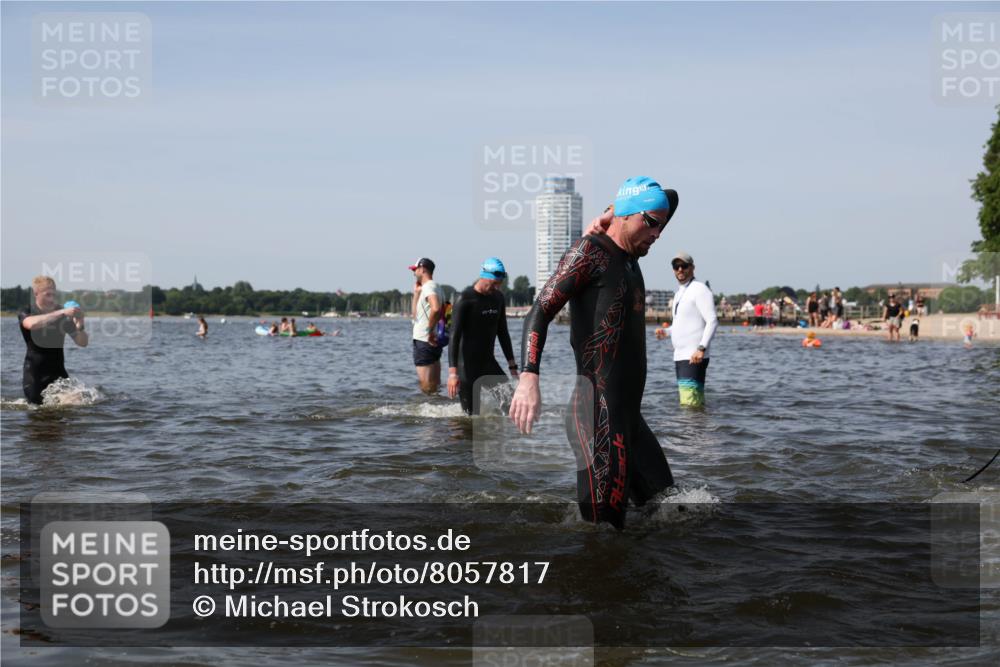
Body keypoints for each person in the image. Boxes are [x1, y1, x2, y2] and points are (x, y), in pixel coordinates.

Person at [509, 176, 678, 530]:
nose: (658, 233)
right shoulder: (589, 252)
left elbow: (670, 199)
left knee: (672, 513)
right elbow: (539, 311)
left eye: (661, 225)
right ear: (628, 215)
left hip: (630, 419)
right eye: (651, 223)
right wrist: (528, 376)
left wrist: (612, 211)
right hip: (596, 418)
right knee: (602, 534)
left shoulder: (631, 253)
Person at [447, 257, 518, 415]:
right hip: (466, 368)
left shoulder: (498, 298)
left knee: (513, 406)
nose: (496, 287)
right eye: (494, 283)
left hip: (488, 364)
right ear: (484, 276)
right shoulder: (465, 299)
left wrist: (512, 367)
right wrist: (452, 374)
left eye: (499, 284)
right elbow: (454, 336)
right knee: (471, 418)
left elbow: (503, 333)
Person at [18, 275, 89, 405]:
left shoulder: (62, 314)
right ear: (36, 293)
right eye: (48, 295)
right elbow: (31, 324)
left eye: (54, 295)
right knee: (40, 414)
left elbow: (82, 343)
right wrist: (61, 313)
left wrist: (80, 324)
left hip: (59, 375)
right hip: (35, 378)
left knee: (77, 402)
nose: (52, 299)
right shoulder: (27, 311)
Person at [669, 252, 718, 408]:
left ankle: (694, 425)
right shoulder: (679, 293)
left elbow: (712, 320)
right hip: (680, 355)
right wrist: (666, 332)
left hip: (694, 355)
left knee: (690, 403)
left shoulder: (700, 289)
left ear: (692, 268)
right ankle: (698, 423)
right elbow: (680, 324)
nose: (680, 269)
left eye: (684, 266)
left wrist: (701, 348)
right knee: (691, 402)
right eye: (676, 266)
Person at [410, 257, 445, 394]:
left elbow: (436, 308)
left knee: (426, 385)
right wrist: (416, 294)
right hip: (433, 341)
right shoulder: (436, 287)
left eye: (415, 270)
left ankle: (427, 407)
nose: (414, 273)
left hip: (425, 340)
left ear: (422, 269)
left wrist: (429, 331)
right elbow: (415, 316)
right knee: (434, 385)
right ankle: (437, 405)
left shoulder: (429, 287)